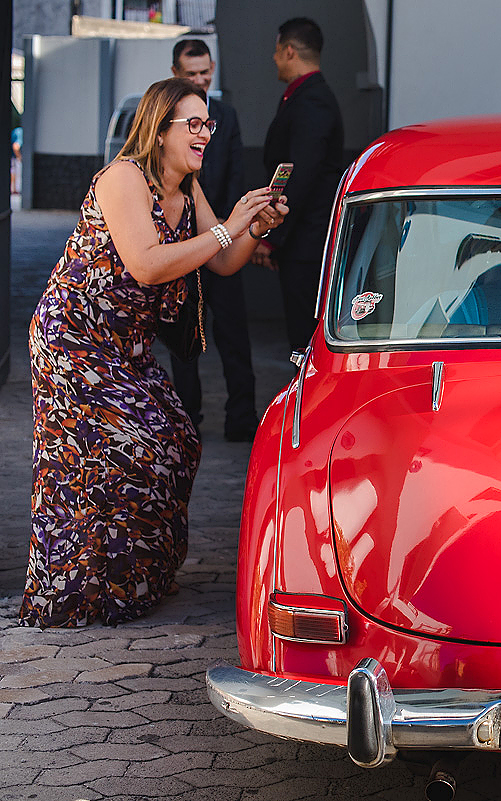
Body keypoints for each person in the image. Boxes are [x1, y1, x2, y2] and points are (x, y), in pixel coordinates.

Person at [19, 78, 288, 628]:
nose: (204, 134)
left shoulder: (188, 190)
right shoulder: (123, 179)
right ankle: (83, 590)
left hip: (127, 345)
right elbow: (145, 263)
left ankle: (140, 577)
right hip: (74, 340)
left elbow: (223, 261)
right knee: (114, 454)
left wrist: (251, 227)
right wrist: (229, 229)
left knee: (178, 438)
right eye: (193, 124)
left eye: (207, 124)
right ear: (159, 129)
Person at [168, 39, 259, 442]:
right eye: (192, 74)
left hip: (221, 232)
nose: (201, 80)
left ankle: (241, 417)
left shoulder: (226, 115)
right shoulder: (164, 125)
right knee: (182, 337)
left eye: (206, 72)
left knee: (234, 334)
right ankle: (188, 419)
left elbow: (235, 173)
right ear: (176, 75)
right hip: (183, 246)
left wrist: (233, 226)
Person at [254, 17, 345, 352]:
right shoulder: (301, 96)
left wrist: (272, 236)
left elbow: (301, 174)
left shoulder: (312, 100)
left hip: (306, 241)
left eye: (277, 51)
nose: (274, 59)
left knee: (304, 336)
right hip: (298, 237)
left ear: (289, 50)